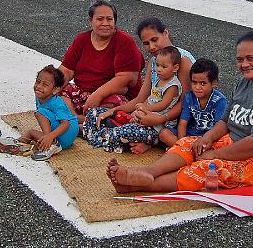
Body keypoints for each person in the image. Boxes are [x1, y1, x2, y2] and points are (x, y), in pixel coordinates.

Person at [107, 30, 253, 193]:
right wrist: (207, 138)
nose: (244, 64)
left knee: (208, 168)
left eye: (251, 58)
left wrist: (218, 154)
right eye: (240, 59)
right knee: (188, 144)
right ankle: (147, 172)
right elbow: (226, 121)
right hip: (235, 142)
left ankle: (138, 186)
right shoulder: (245, 82)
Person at [82, 46, 182, 153]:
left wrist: (146, 108)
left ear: (175, 68)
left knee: (123, 132)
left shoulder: (173, 86)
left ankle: (102, 136)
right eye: (157, 65)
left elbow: (164, 104)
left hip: (156, 127)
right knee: (95, 112)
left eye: (164, 67)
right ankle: (102, 133)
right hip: (141, 118)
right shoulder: (158, 79)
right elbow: (150, 99)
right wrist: (139, 110)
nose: (159, 69)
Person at [58, 0, 144, 122]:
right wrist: (52, 84)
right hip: (83, 93)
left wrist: (97, 95)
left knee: (115, 104)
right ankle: (76, 119)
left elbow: (127, 78)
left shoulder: (125, 41)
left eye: (109, 19)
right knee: (57, 89)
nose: (105, 23)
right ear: (90, 21)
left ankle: (79, 122)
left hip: (110, 97)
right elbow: (66, 70)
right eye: (100, 19)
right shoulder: (81, 39)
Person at [125, 17, 196, 153]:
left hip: (181, 120)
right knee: (126, 121)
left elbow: (186, 102)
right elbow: (141, 98)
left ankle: (154, 140)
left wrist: (157, 119)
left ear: (165, 33)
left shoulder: (182, 60)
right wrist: (116, 110)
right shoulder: (154, 62)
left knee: (128, 134)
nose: (151, 47)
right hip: (159, 115)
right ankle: (152, 140)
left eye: (154, 40)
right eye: (146, 43)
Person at [17, 65, 79, 161]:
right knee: (30, 132)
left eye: (45, 85)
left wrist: (49, 136)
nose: (39, 86)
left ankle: (50, 144)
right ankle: (18, 144)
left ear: (55, 90)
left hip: (68, 131)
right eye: (38, 82)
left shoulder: (57, 103)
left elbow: (66, 124)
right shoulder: (40, 96)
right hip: (62, 138)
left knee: (40, 113)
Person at [166, 58, 228, 148]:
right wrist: (182, 141)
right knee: (164, 133)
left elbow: (220, 127)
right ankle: (186, 149)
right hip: (189, 135)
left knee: (225, 142)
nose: (197, 87)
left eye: (203, 83)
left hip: (208, 139)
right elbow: (183, 123)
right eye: (194, 82)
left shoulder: (220, 101)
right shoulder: (189, 96)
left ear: (214, 83)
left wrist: (207, 140)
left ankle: (186, 151)